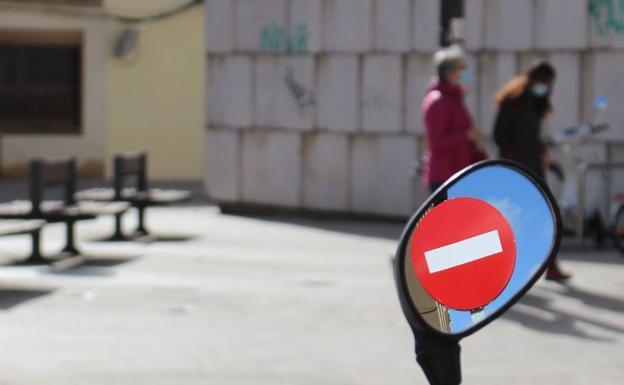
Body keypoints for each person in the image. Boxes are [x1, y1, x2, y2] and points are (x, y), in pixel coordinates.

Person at [493, 60, 571, 282]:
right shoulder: (513, 102)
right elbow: (500, 135)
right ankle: (506, 271)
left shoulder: (536, 103)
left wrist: (544, 154)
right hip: (516, 171)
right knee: (515, 222)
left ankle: (550, 265)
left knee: (548, 218)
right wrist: (511, 161)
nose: (544, 86)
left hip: (534, 170)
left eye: (548, 83)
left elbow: (533, 138)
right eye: (541, 81)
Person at [422, 45, 483, 193]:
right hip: (445, 176)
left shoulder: (454, 98)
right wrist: (466, 136)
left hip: (458, 173)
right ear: (450, 73)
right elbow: (436, 141)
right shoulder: (438, 101)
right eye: (462, 68)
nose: (465, 73)